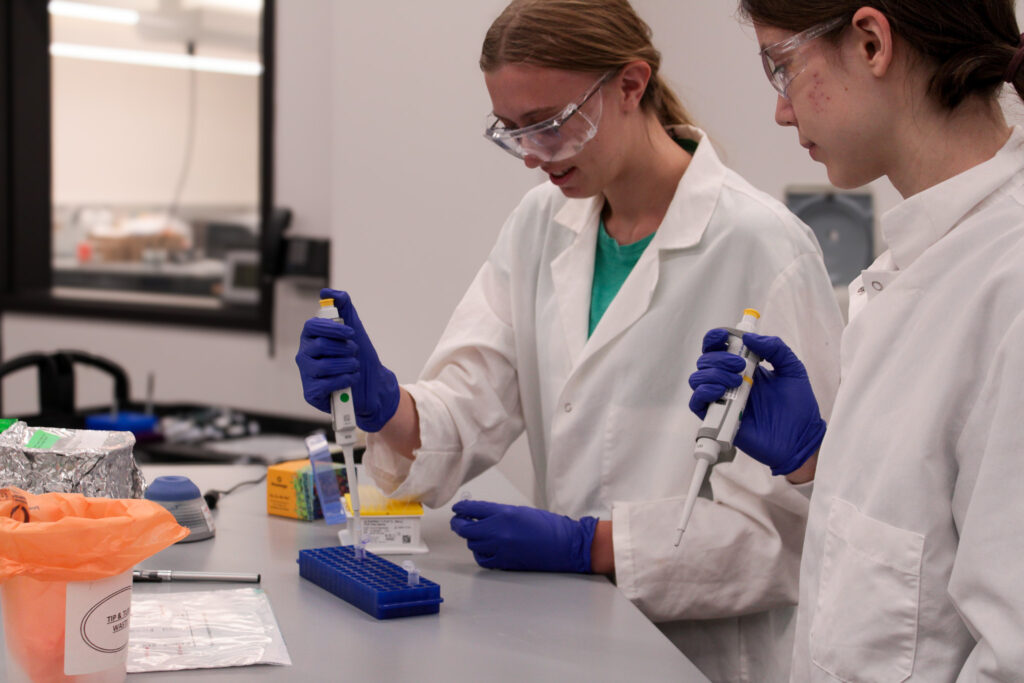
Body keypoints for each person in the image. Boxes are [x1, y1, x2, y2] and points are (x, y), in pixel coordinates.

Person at [296, 1, 843, 679]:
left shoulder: (763, 245)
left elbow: (791, 533)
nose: (531, 156)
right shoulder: (540, 224)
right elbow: (469, 405)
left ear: (630, 85)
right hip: (564, 634)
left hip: (700, 655)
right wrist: (386, 405)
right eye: (512, 130)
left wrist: (596, 545)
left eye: (550, 124)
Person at [688, 1, 1024, 680]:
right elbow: (914, 584)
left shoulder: (1008, 282)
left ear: (871, 42)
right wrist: (820, 466)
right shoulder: (912, 266)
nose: (782, 112)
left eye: (781, 67)